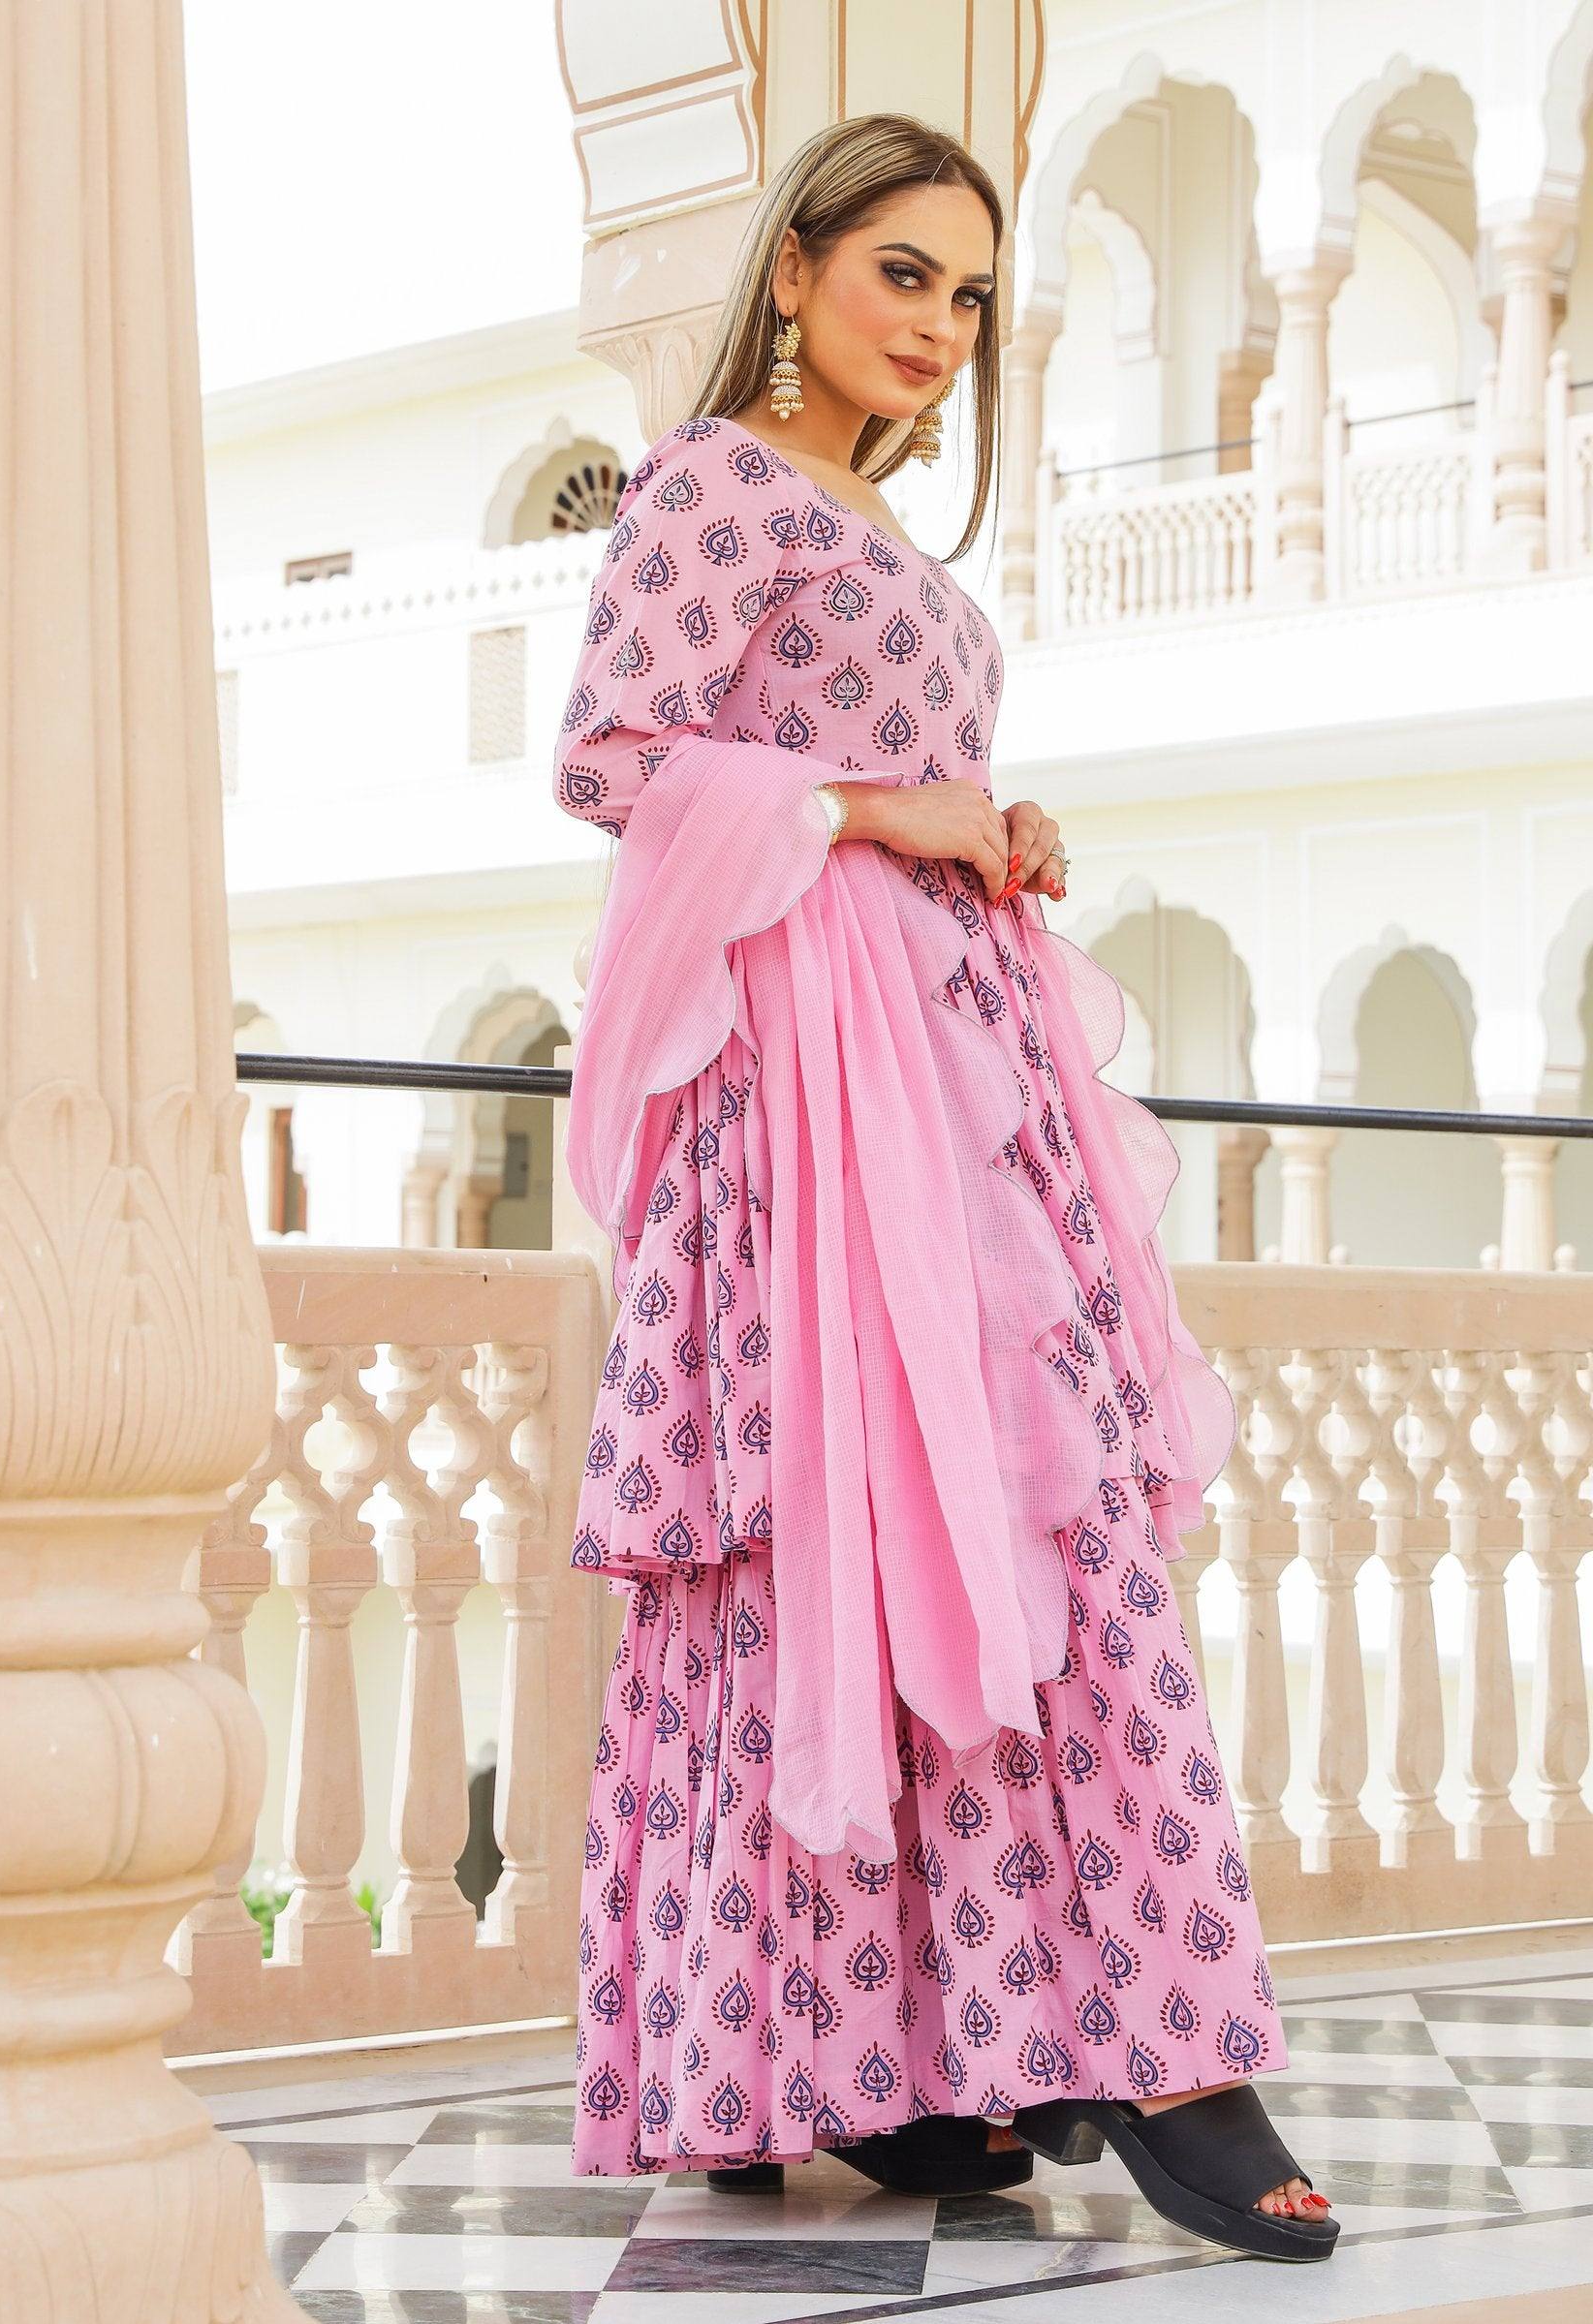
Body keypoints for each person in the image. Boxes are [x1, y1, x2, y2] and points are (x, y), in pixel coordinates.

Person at [550, 112, 1337, 2264]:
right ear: (796, 267)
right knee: (873, 1532)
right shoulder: (714, 482)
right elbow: (613, 757)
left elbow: (866, 779)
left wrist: (977, 821)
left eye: (971, 295)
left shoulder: (866, 518)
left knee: (1008, 1524)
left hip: (949, 1076)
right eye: (902, 272)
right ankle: (1161, 2054)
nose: (940, 326)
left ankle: (906, 2060)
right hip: (811, 1110)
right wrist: (878, 814)